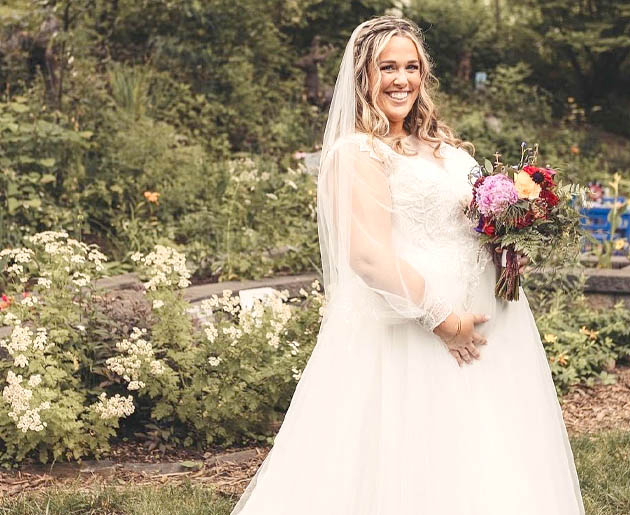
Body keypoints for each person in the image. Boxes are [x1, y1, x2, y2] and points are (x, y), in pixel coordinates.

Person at [232, 16, 584, 514]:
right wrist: (444, 321)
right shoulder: (357, 153)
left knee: (488, 447)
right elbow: (368, 255)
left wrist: (505, 245)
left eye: (412, 67)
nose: (402, 79)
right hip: (414, 326)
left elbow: (465, 223)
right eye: (387, 67)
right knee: (418, 454)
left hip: (488, 321)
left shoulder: (442, 145)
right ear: (363, 77)